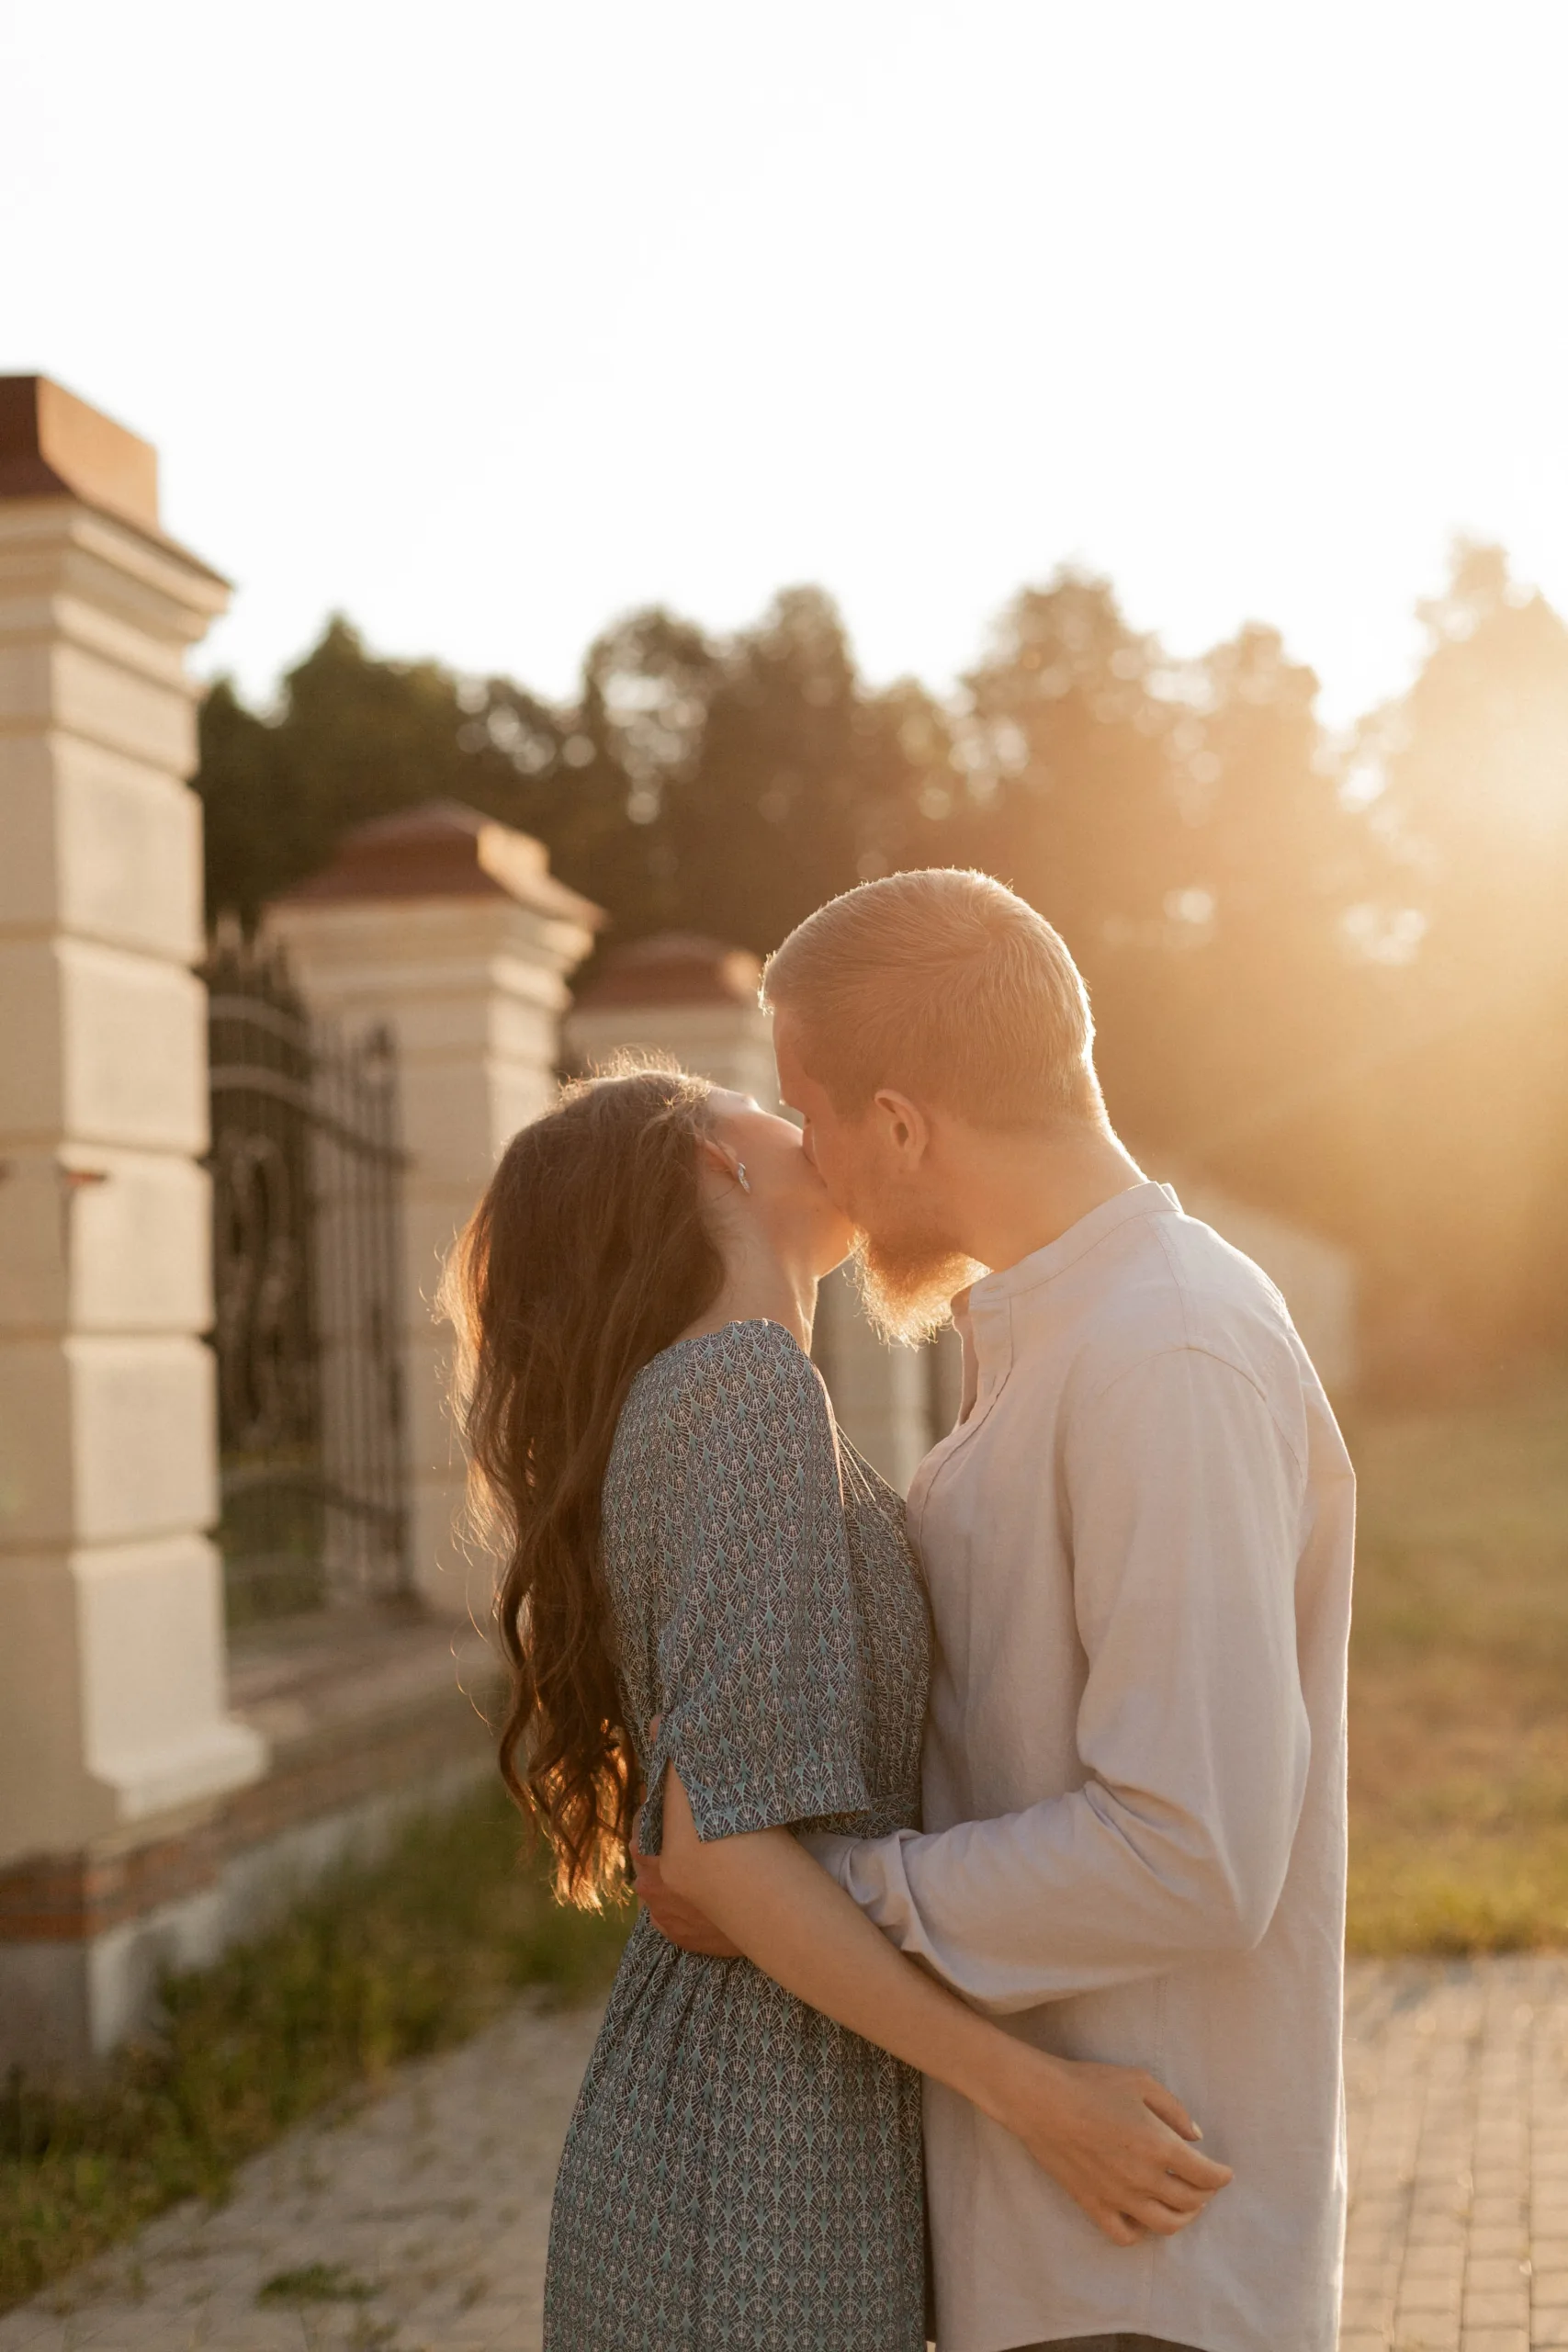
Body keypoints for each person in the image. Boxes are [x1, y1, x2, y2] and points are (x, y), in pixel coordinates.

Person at [637, 869, 1356, 2352]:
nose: (818, 1165)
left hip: (1143, 2253)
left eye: (816, 1114)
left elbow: (1190, 1853)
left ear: (900, 1124)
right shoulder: (1058, 1331)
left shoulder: (1166, 1351)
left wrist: (808, 1898)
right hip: (1043, 2234)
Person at [441, 1060, 1233, 2352]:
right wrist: (1038, 2100)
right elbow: (721, 1849)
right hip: (752, 2142)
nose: (807, 1119)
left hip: (779, 2103)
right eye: (764, 1101)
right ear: (720, 1160)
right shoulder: (739, 1392)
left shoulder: (735, 1394)